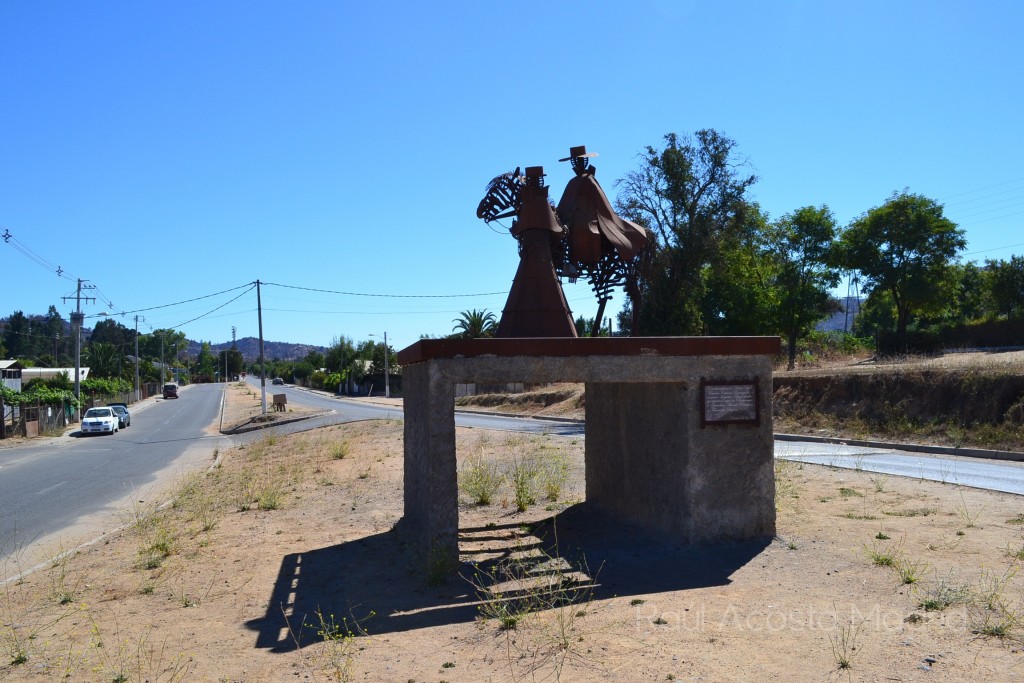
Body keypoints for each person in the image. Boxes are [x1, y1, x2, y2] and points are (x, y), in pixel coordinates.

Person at [556, 145, 647, 265]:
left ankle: (582, 263)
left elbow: (601, 201)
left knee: (583, 229)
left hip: (589, 216)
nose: (578, 163)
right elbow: (564, 203)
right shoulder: (572, 182)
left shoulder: (589, 180)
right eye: (575, 161)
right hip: (571, 217)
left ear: (585, 161)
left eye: (580, 160)